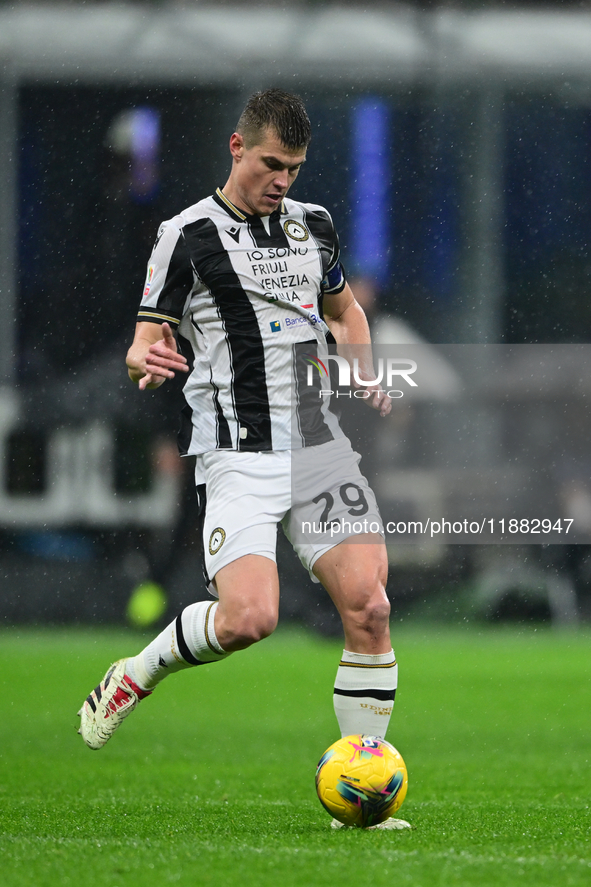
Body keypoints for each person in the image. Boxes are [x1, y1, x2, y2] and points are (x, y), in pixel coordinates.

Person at [77, 89, 409, 830]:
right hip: (237, 456)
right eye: (269, 164)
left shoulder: (312, 226)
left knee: (370, 606)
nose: (281, 180)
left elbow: (345, 310)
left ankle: (361, 790)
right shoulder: (185, 234)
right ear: (235, 148)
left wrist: (360, 364)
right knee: (249, 618)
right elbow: (142, 343)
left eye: (292, 168)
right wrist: (144, 359)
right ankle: (134, 673)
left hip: (321, 452)